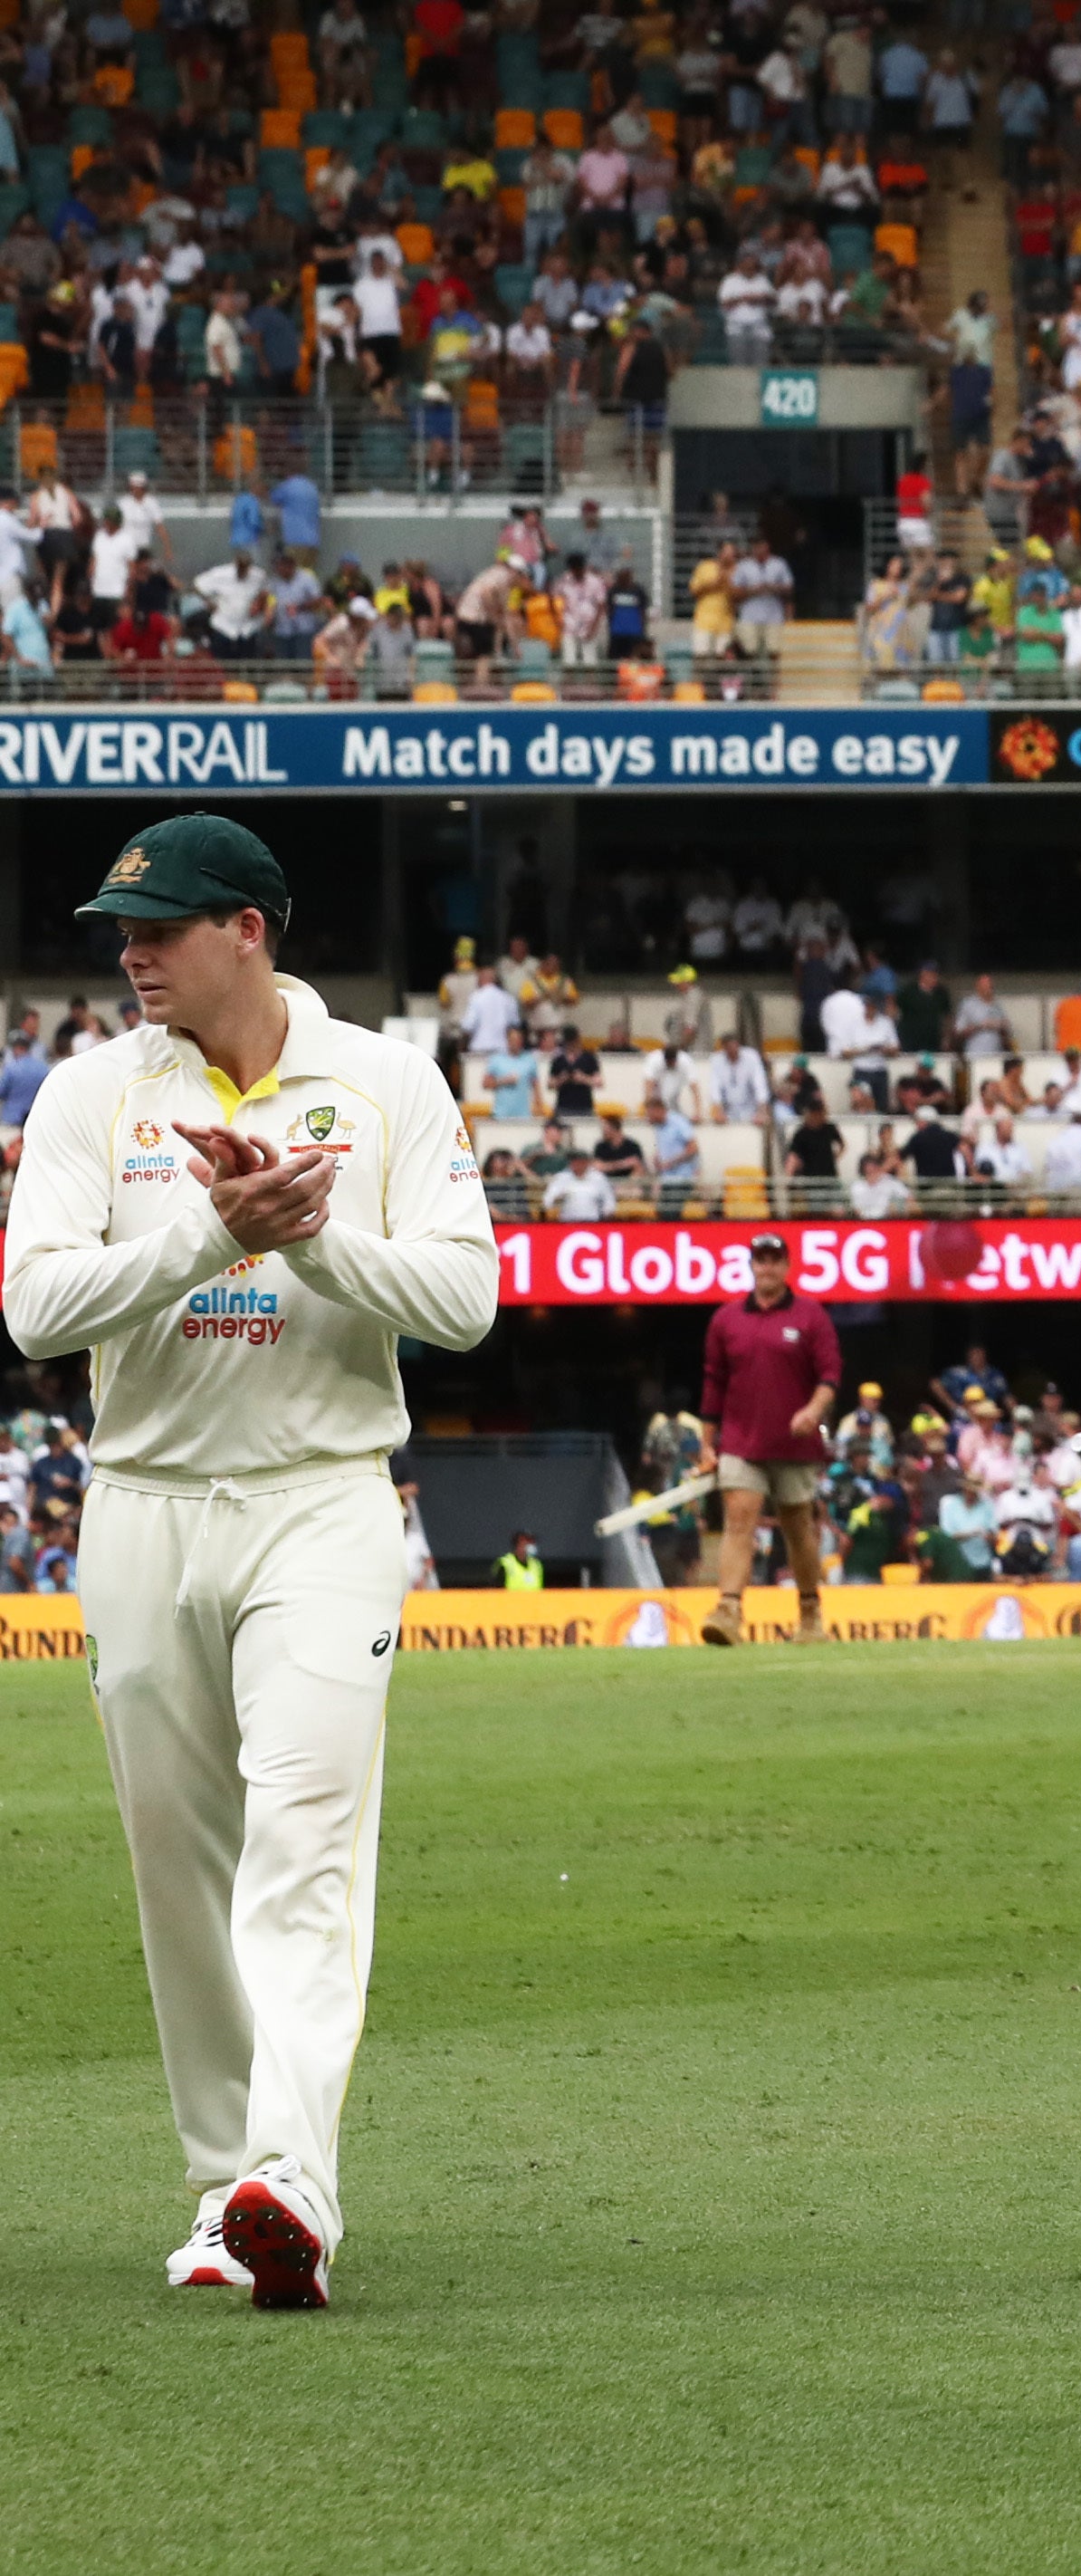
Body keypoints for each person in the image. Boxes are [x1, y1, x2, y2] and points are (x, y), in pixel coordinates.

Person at [3, 814, 499, 2308]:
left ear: (251, 929)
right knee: (180, 1862)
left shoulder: (386, 1080)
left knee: (304, 1846)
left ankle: (289, 2180)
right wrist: (212, 1235)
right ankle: (227, 2191)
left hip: (323, 1499)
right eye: (120, 931)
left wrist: (314, 1235)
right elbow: (35, 1308)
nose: (133, 952)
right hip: (144, 1502)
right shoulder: (96, 1091)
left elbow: (466, 1298)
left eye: (161, 927)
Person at [697, 1232, 843, 1646]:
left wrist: (813, 1411)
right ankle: (728, 1611)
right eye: (761, 1259)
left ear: (788, 1265)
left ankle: (811, 1616)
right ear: (751, 1265)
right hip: (742, 1440)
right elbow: (714, 1384)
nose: (768, 1267)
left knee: (798, 1528)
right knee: (739, 1520)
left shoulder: (811, 1316)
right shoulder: (727, 1320)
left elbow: (830, 1376)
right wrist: (708, 1442)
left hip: (795, 1444)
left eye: (775, 1259)